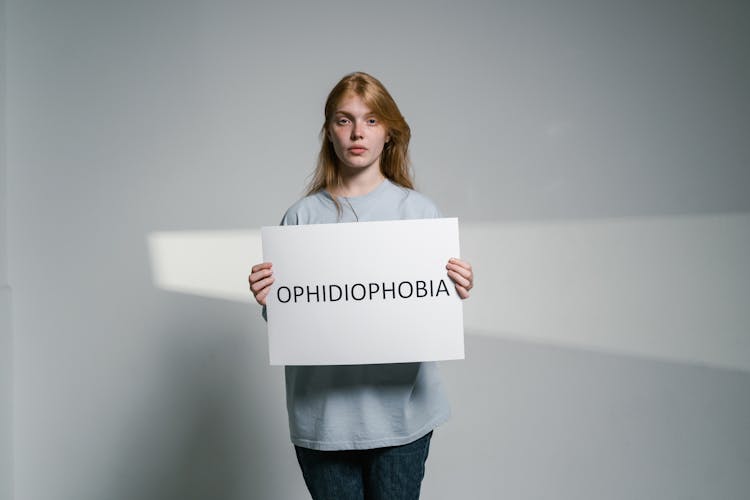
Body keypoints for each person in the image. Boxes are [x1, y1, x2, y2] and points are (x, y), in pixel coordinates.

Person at [248, 72, 474, 500]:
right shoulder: (301, 217)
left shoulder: (420, 214)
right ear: (329, 132)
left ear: (389, 132)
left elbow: (431, 308)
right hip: (324, 419)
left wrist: (456, 287)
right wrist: (267, 297)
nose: (357, 133)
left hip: (402, 416)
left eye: (371, 121)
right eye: (344, 120)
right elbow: (291, 318)